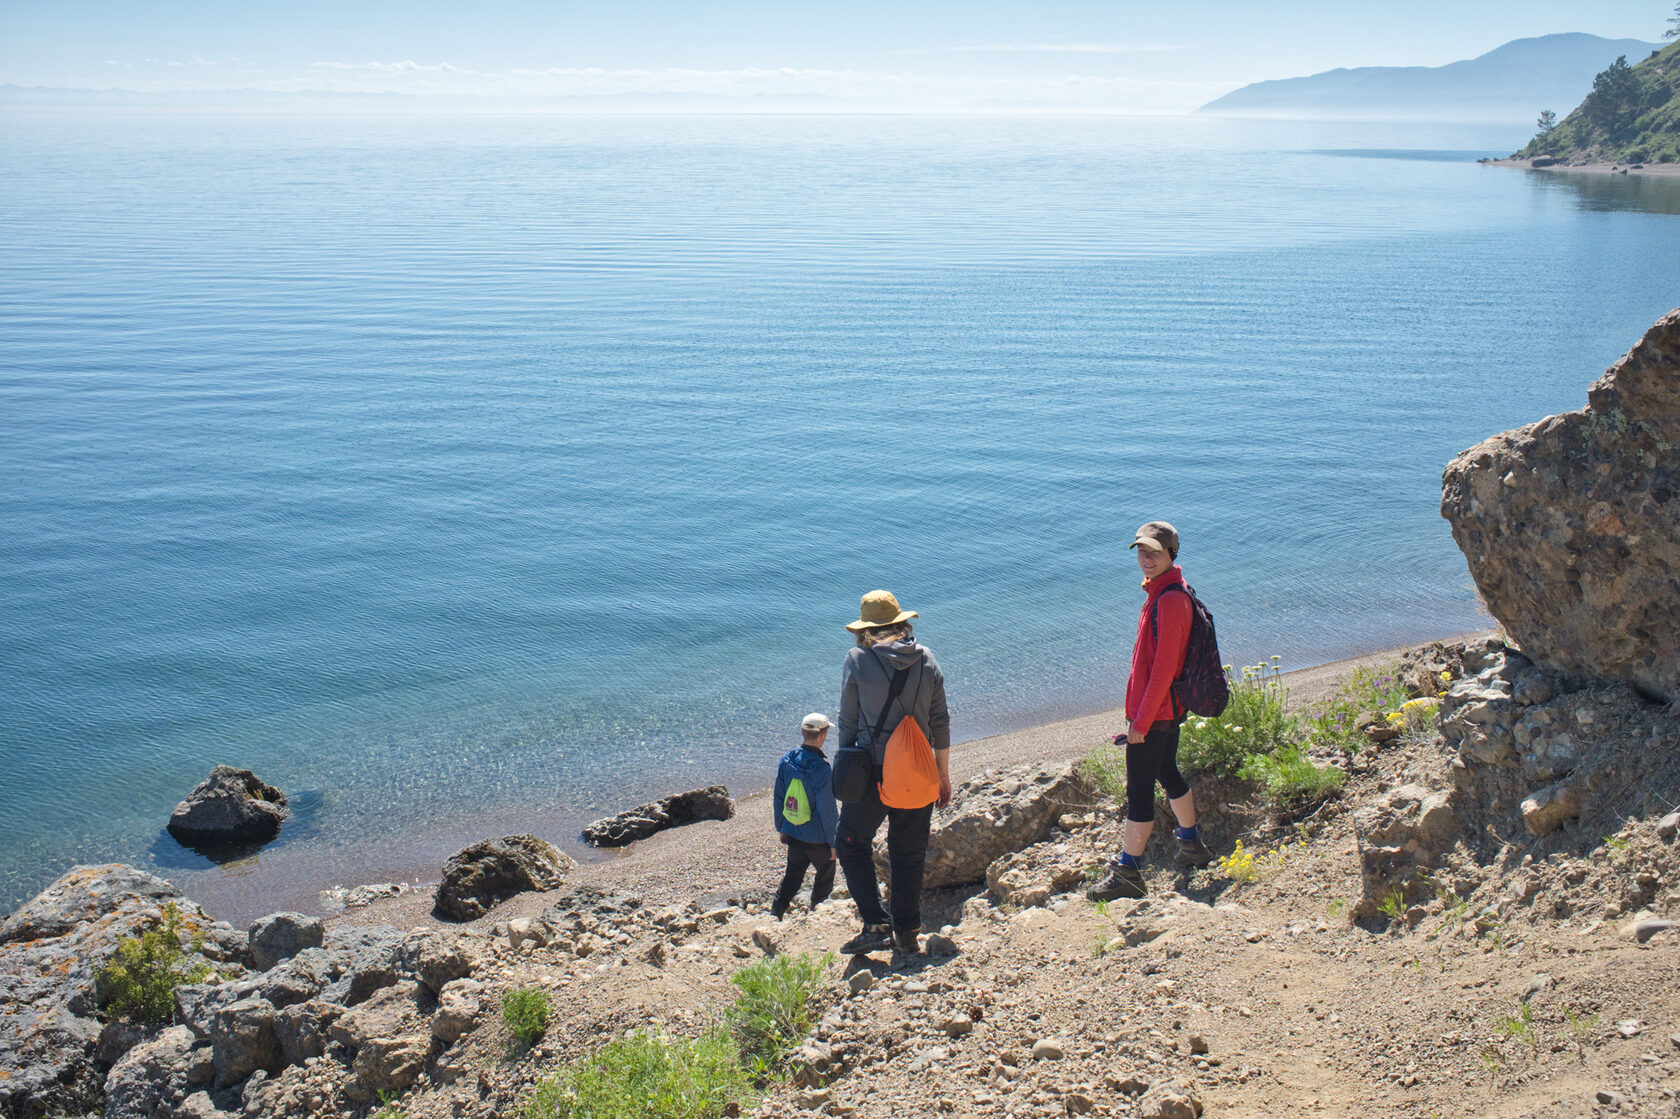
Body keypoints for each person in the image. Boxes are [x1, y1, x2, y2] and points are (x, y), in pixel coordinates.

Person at [1088, 521, 1215, 902]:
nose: (1146, 559)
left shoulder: (1171, 599)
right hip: (1161, 710)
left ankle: (1128, 872)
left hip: (1155, 712)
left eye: (1154, 553)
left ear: (1171, 554)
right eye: (1142, 552)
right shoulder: (1162, 592)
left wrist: (1140, 723)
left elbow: (1164, 669)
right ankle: (1191, 844)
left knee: (1139, 792)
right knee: (1167, 771)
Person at [834, 589, 952, 956]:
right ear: (902, 623)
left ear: (865, 630)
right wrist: (942, 774)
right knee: (908, 852)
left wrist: (846, 768)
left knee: (851, 843)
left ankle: (875, 922)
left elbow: (847, 723)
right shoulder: (927, 658)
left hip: (872, 769)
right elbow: (940, 722)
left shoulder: (857, 659)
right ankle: (907, 932)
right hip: (918, 770)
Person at [770, 713, 840, 919]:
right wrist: (833, 843)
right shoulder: (821, 769)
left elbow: (779, 797)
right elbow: (827, 811)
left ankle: (776, 912)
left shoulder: (786, 761)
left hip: (793, 830)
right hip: (817, 838)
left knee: (793, 874)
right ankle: (817, 912)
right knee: (826, 872)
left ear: (803, 733)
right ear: (822, 736)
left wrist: (781, 827)